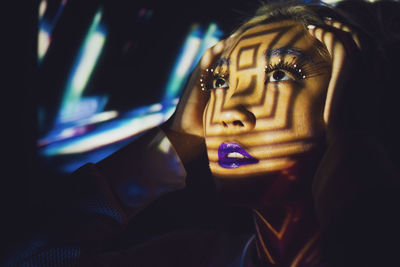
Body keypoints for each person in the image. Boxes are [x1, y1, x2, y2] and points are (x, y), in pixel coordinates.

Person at [4, 1, 400, 266]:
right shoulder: (190, 257)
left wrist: (353, 142)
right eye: (219, 82)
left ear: (352, 98)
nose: (229, 112)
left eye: (279, 75)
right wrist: (176, 138)